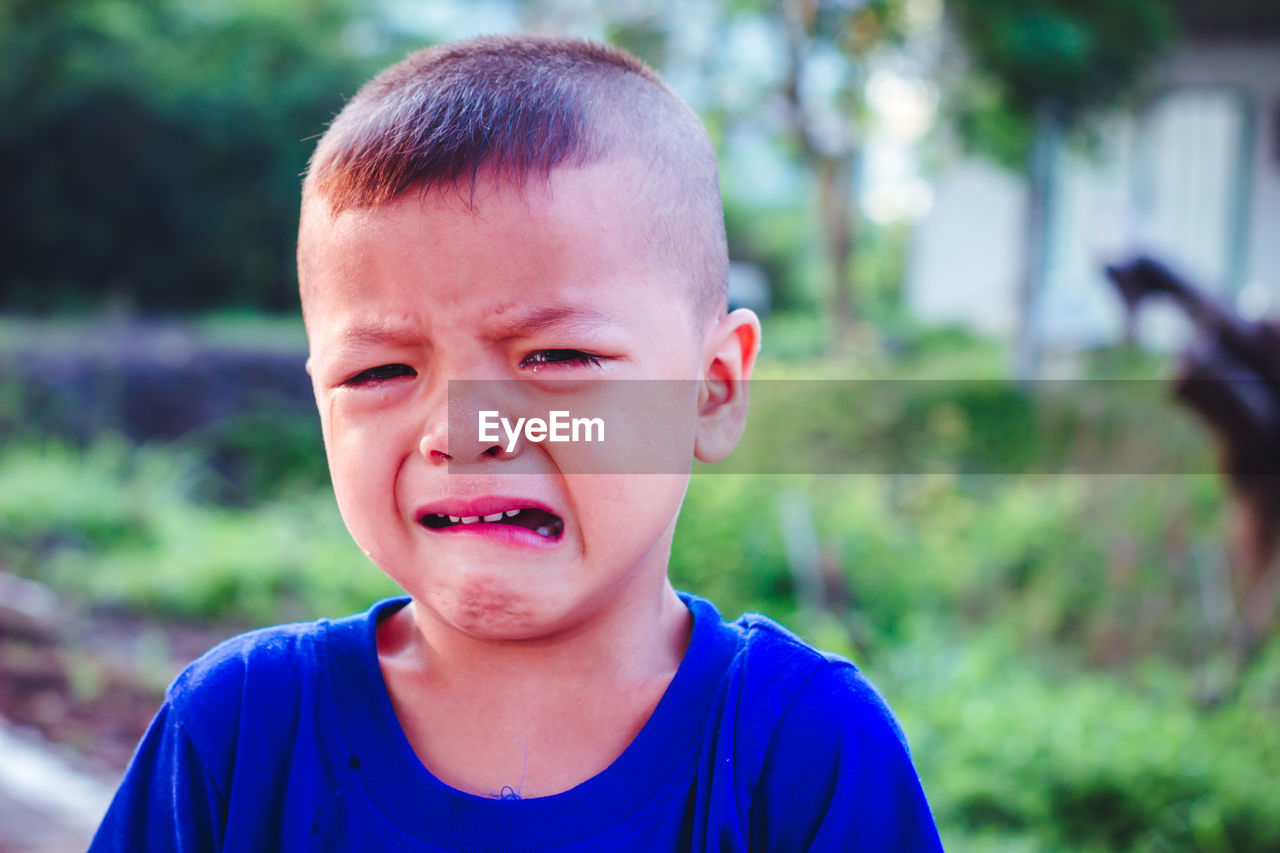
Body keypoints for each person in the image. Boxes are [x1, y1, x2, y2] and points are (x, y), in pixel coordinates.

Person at [90, 35, 942, 851]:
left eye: (557, 357)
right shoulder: (237, 737)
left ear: (712, 389)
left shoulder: (800, 753)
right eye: (380, 371)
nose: (461, 434)